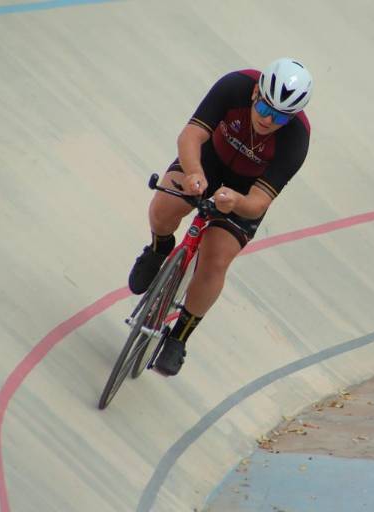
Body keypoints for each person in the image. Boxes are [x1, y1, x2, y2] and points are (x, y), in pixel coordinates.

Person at [128, 58, 313, 376]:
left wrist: (235, 201)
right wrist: (193, 173)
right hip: (208, 163)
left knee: (215, 258)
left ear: (292, 117)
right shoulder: (235, 85)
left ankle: (179, 338)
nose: (268, 120)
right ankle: (159, 249)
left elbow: (258, 202)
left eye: (280, 117)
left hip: (243, 192)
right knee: (164, 207)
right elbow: (189, 136)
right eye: (265, 108)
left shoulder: (297, 138)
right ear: (255, 93)